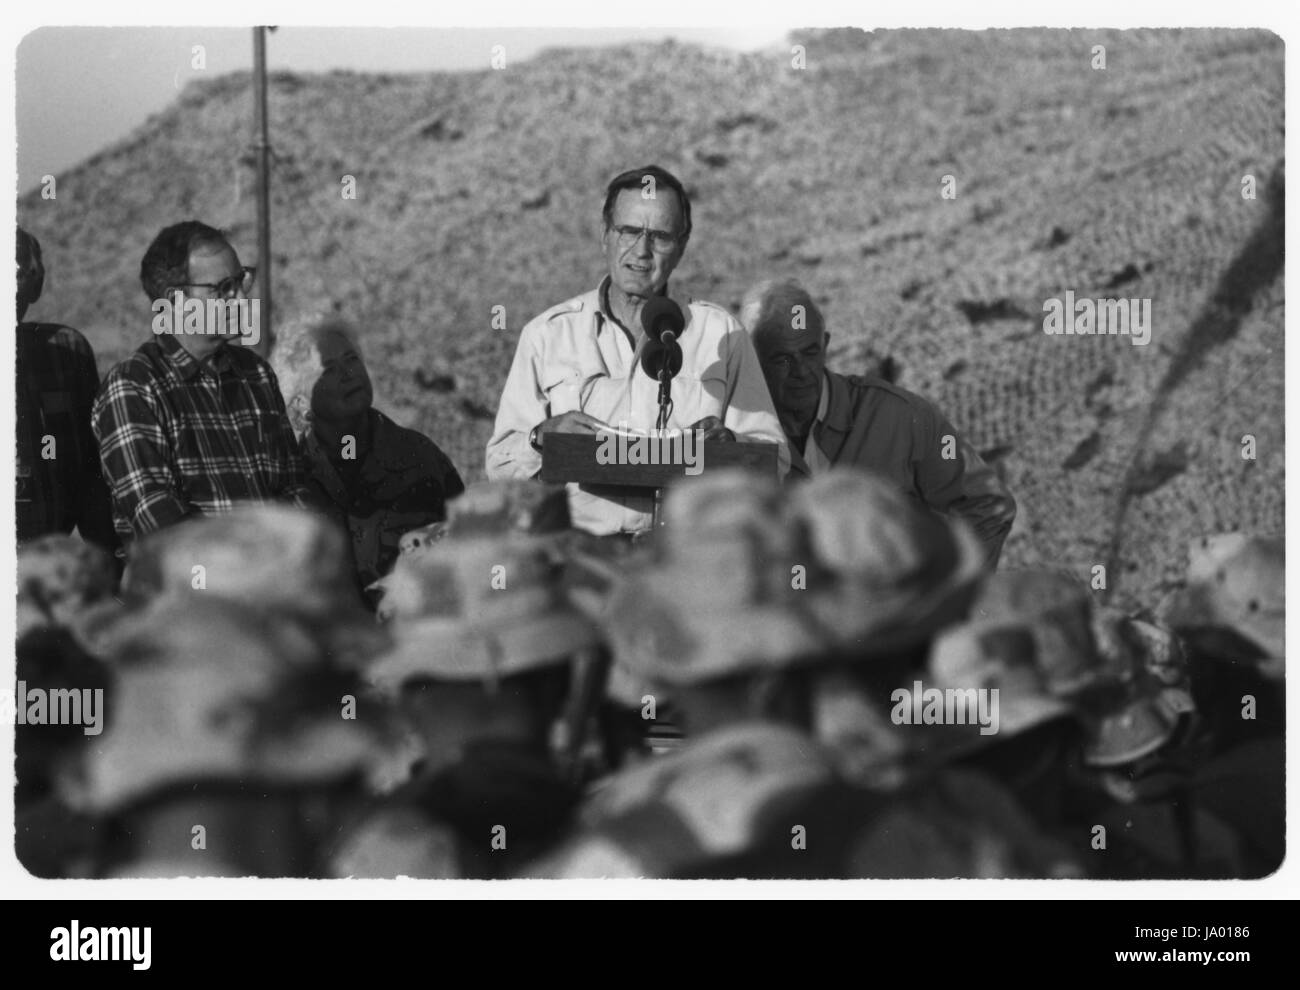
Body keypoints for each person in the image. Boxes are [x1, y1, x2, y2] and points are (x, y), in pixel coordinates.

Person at [486, 164, 789, 536]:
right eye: (629, 231)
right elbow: (499, 466)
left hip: (686, 558)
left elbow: (776, 462)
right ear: (605, 236)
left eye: (660, 236)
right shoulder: (548, 334)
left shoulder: (721, 334)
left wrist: (732, 445)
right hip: (579, 558)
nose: (641, 251)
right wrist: (541, 438)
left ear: (681, 246)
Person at [740, 277, 1017, 566]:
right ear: (749, 360)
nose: (801, 371)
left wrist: (948, 595)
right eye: (781, 359)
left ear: (826, 345)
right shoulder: (730, 433)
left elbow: (990, 507)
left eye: (810, 352)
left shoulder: (903, 418)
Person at [91, 220, 312, 547]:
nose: (240, 299)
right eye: (223, 289)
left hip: (279, 580)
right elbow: (161, 522)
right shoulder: (134, 387)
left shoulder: (256, 374)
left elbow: (295, 488)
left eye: (241, 281)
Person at [272, 316, 465, 598]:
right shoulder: (287, 475)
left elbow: (465, 544)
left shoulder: (419, 455)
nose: (348, 374)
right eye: (329, 370)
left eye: (351, 360)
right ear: (301, 403)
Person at [15, 227, 118, 558]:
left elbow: (92, 472)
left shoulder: (65, 353)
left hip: (47, 568)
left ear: (36, 281)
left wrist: (111, 568)